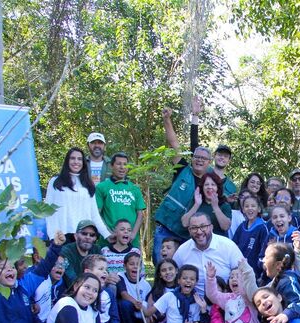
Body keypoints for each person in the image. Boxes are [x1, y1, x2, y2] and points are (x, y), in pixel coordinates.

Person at [151, 107, 213, 262]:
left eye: (203, 159)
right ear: (192, 159)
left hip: (187, 234)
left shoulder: (210, 183)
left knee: (184, 271)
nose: (199, 160)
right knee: (162, 268)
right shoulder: (182, 169)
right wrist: (166, 120)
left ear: (208, 162)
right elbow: (173, 143)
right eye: (196, 157)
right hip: (165, 228)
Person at [44, 147, 111, 240]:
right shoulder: (55, 182)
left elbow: (94, 214)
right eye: (72, 158)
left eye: (79, 159)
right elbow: (48, 211)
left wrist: (107, 235)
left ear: (83, 162)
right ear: (67, 161)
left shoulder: (88, 184)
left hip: (83, 238)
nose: (76, 162)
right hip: (61, 236)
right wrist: (52, 235)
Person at [173, 213, 244, 295]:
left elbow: (244, 273)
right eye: (194, 228)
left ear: (211, 227)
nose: (199, 232)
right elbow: (173, 276)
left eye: (203, 226)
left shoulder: (228, 246)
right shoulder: (182, 250)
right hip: (192, 302)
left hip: (225, 302)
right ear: (189, 230)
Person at [95, 152, 145, 248]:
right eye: (119, 164)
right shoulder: (102, 187)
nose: (122, 167)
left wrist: (133, 234)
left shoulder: (134, 188)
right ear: (111, 166)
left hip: (131, 241)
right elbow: (97, 213)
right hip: (108, 241)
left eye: (125, 164)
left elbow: (140, 214)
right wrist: (107, 233)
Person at [116, 252, 152, 323]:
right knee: (125, 304)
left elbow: (149, 304)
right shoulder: (120, 277)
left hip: (141, 317)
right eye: (131, 264)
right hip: (126, 316)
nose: (135, 267)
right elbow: (123, 294)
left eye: (138, 264)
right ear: (125, 266)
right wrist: (135, 303)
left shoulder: (146, 285)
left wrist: (148, 320)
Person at [232, 194, 269, 275]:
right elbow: (234, 245)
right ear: (243, 210)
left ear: (259, 209)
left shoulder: (262, 227)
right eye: (247, 206)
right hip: (241, 269)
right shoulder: (242, 226)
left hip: (256, 270)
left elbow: (266, 251)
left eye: (253, 206)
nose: (250, 208)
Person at [60, 220, 103, 287]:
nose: (88, 237)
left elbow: (103, 271)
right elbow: (71, 277)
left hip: (92, 287)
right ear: (75, 236)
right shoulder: (66, 251)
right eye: (84, 233)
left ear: (95, 238)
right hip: (71, 290)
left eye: (92, 235)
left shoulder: (96, 249)